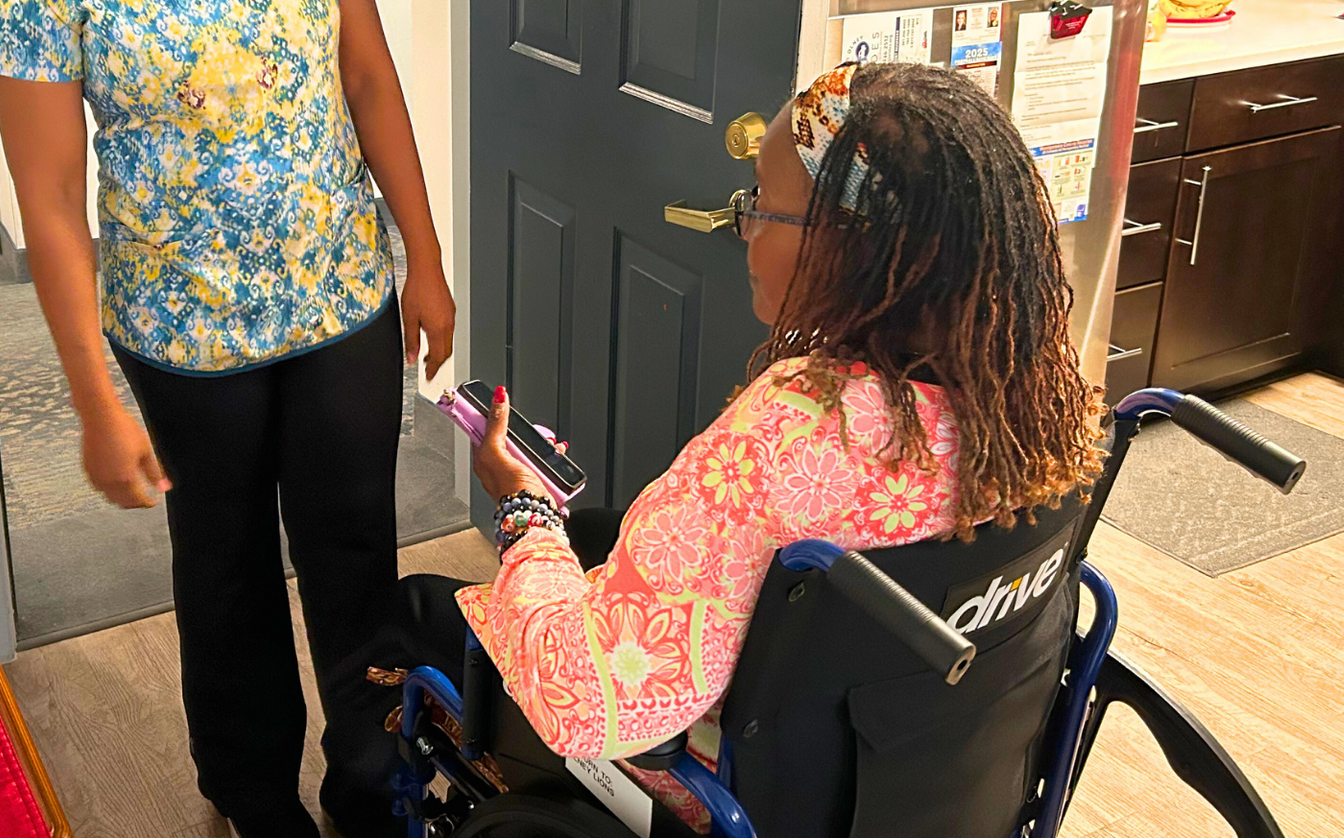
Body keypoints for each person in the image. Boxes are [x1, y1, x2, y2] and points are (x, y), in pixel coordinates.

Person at [0, 0, 453, 838]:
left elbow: (368, 81)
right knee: (229, 568)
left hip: (340, 298)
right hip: (182, 339)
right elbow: (50, 203)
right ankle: (249, 778)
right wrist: (91, 394)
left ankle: (371, 771)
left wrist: (424, 256)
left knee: (356, 549)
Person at [410, 59, 1105, 789]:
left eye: (762, 205)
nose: (742, 230)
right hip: (922, 788)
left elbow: (585, 704)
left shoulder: (788, 438)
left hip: (728, 809)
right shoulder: (1031, 396)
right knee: (592, 534)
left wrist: (520, 511)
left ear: (851, 242)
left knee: (418, 608)